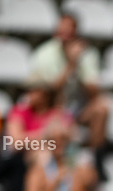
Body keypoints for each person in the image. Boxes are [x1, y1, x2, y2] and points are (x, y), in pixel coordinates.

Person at [30, 12, 108, 150]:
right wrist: (70, 65)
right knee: (58, 117)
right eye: (62, 34)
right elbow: (49, 93)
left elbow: (94, 92)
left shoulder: (88, 54)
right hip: (54, 107)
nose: (65, 39)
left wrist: (81, 69)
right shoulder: (44, 54)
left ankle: (94, 155)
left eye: (70, 35)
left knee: (102, 109)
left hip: (80, 109)